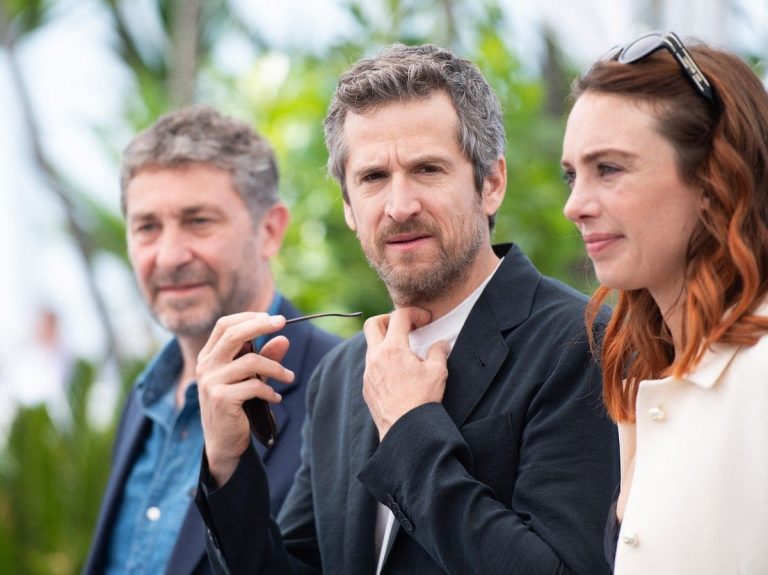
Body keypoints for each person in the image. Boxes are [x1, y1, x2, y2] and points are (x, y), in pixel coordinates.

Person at [195, 43, 619, 574]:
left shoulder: (583, 342)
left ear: (491, 184)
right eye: (373, 178)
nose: (400, 206)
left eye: (427, 169)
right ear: (348, 207)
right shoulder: (338, 377)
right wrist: (227, 462)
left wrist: (411, 426)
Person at [83, 105, 342, 574]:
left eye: (198, 220)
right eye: (147, 226)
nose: (169, 255)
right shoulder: (143, 399)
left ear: (269, 230)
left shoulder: (344, 387)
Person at [561, 31, 768, 574]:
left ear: (713, 179)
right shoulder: (639, 381)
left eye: (609, 168)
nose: (574, 205)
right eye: (572, 174)